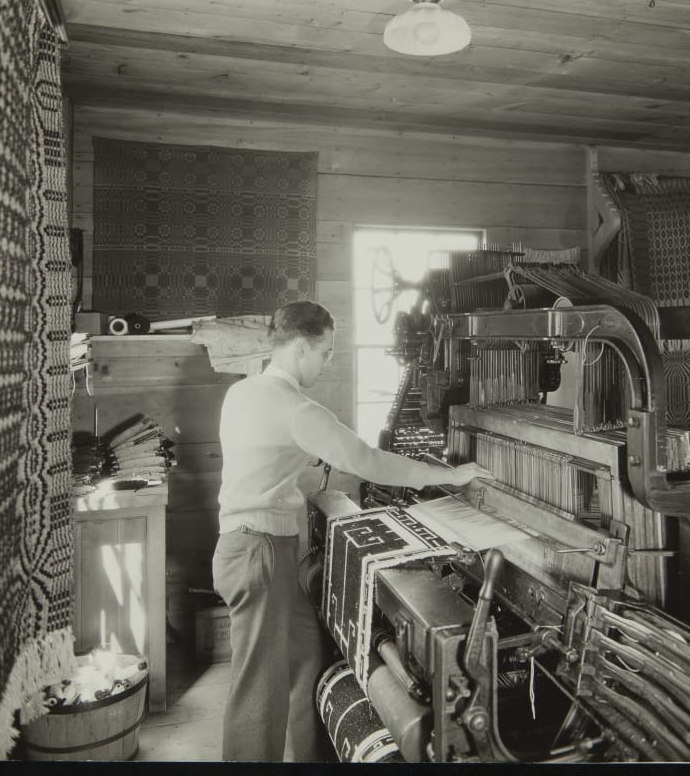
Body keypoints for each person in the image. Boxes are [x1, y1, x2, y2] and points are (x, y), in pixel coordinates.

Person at [211, 300, 494, 762]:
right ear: (301, 348)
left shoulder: (242, 393)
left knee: (307, 653)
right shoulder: (297, 410)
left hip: (246, 549)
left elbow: (266, 457)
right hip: (261, 554)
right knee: (258, 687)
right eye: (325, 352)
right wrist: (450, 476)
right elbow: (368, 461)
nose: (326, 363)